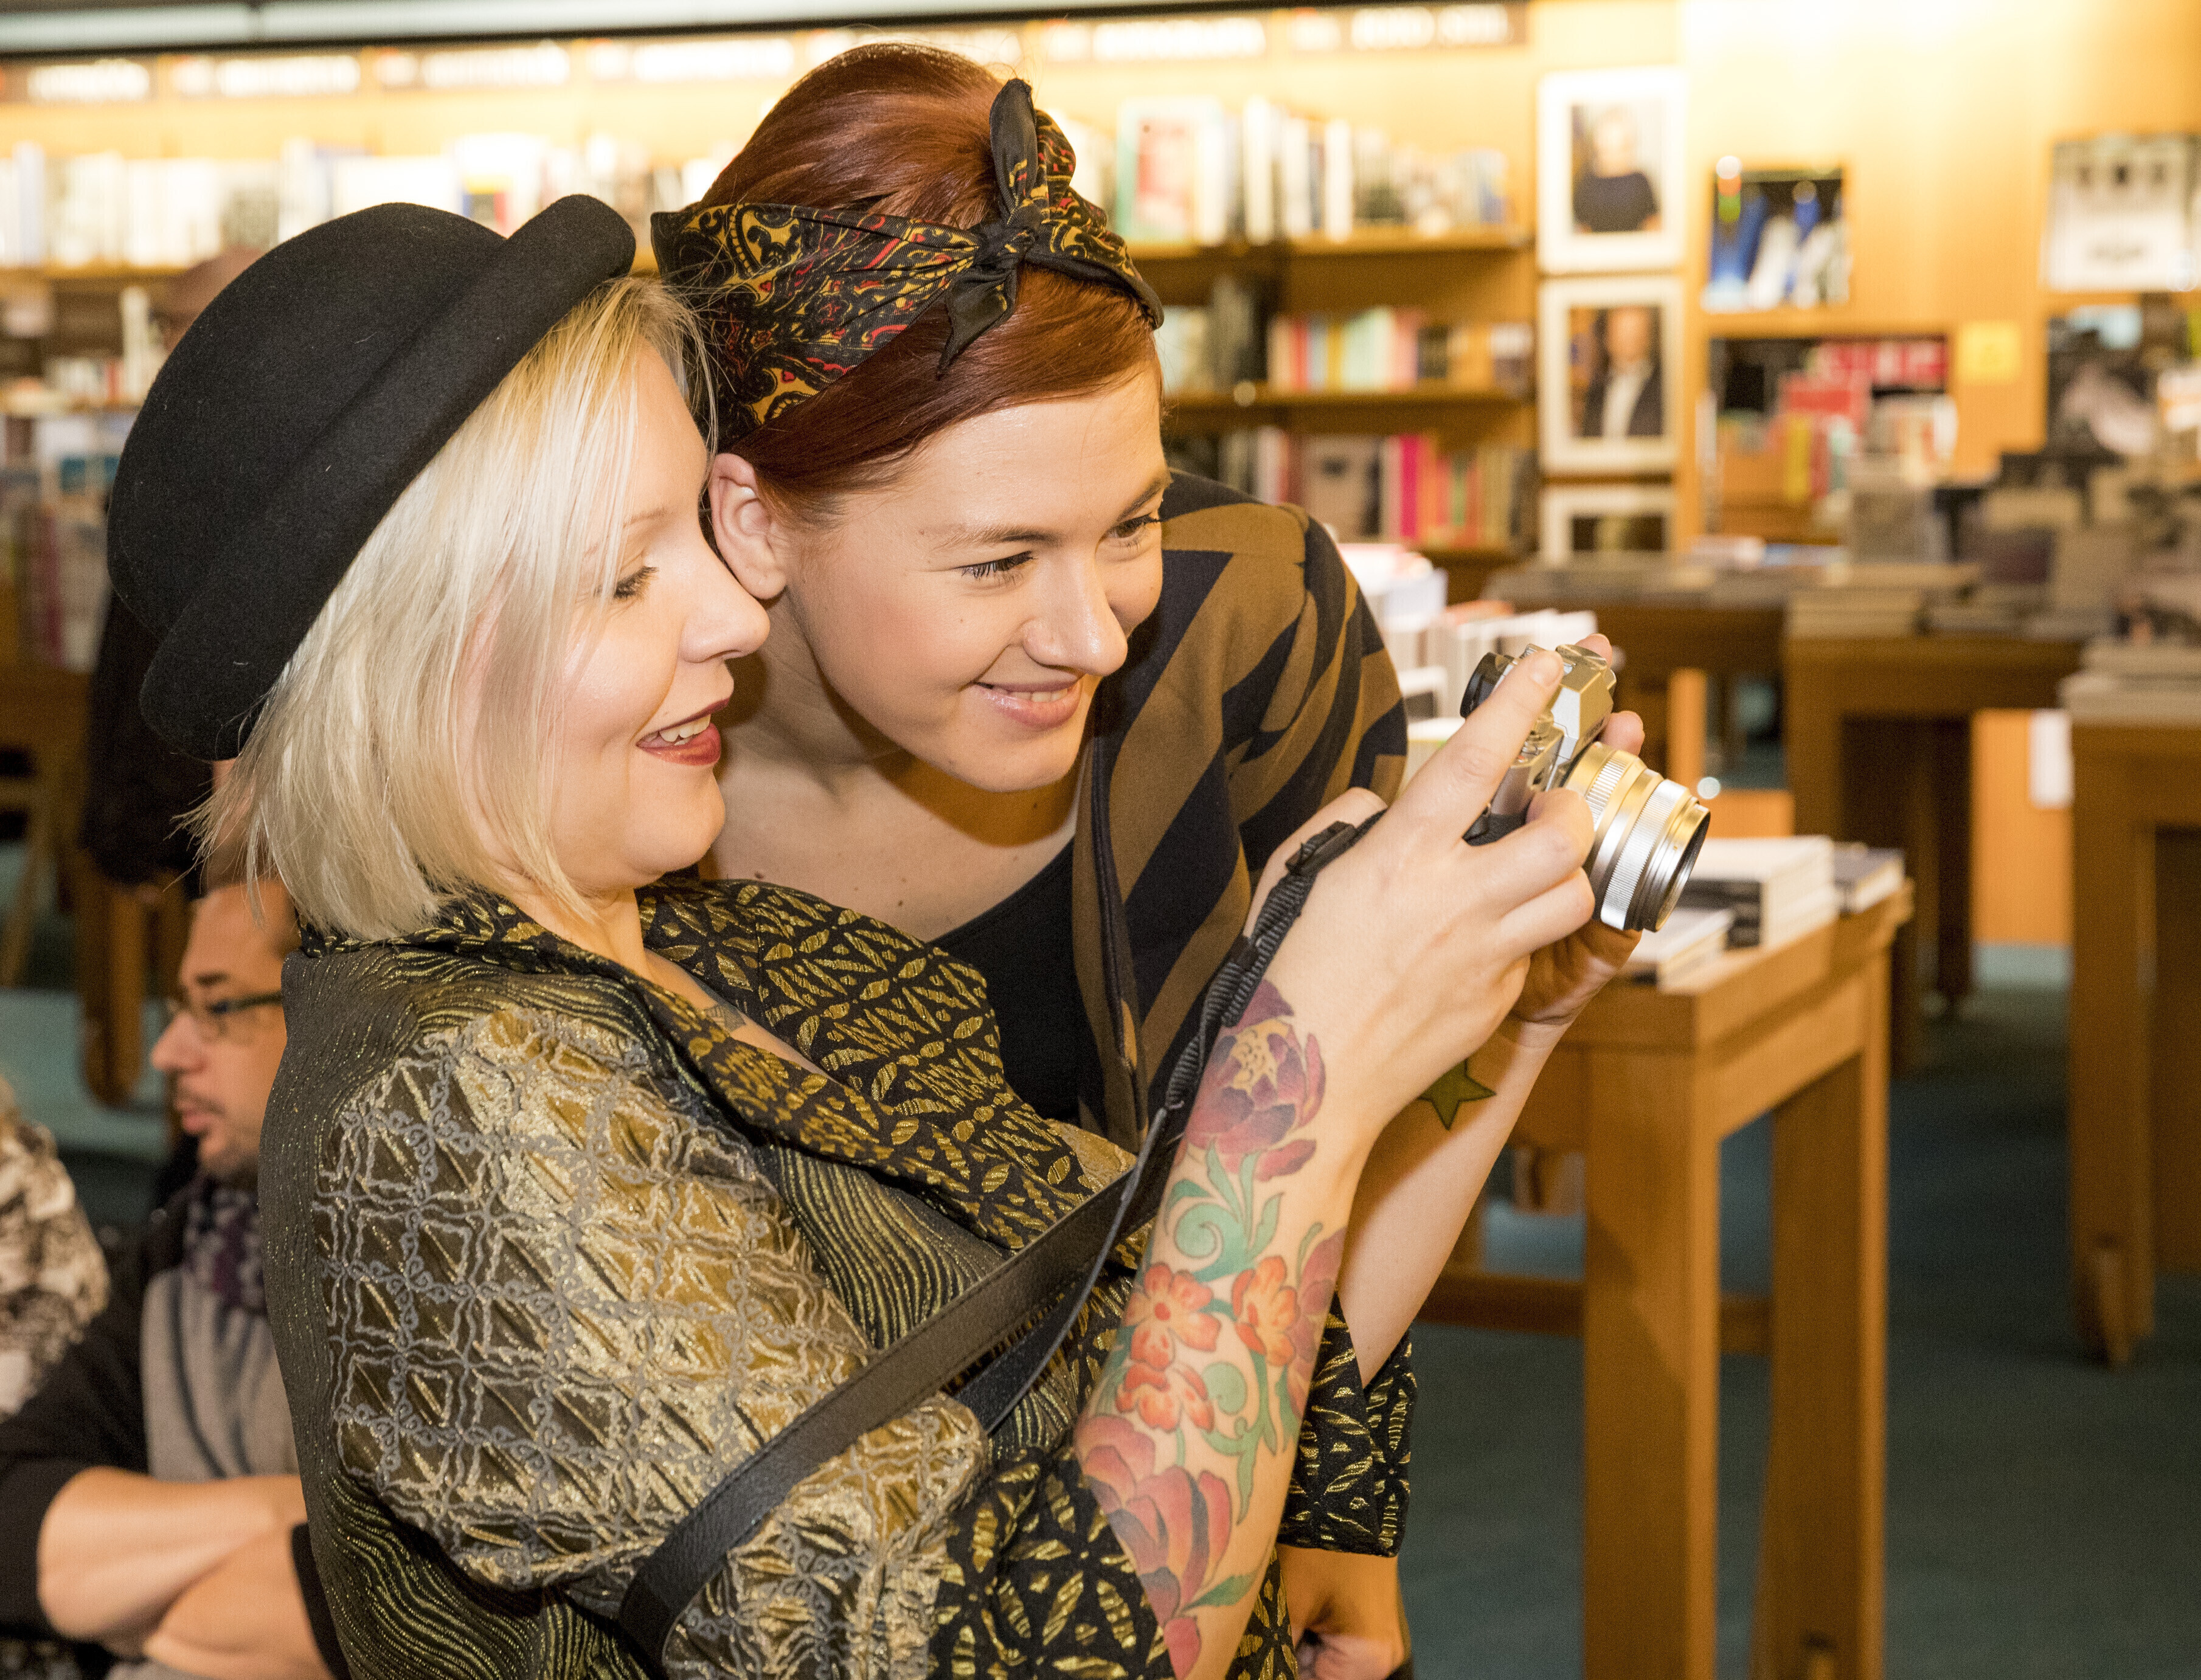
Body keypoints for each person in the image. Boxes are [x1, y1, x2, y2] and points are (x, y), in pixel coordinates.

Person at [108, 187, 1627, 1680]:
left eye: (696, 533)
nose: (735, 614)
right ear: (414, 665)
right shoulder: (451, 1104)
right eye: (629, 575)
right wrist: (1296, 1081)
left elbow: (1185, 1350)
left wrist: (1502, 1010)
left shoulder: (734, 949)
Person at [658, 50, 1418, 1668]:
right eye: (998, 560)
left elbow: (1347, 1137)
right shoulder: (611, 785)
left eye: (1128, 521)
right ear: (756, 516)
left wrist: (1328, 1510)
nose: (1094, 633)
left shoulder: (1246, 630)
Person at [0, 879, 343, 1680]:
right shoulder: (200, 1241)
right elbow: (15, 1515)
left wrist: (123, 1597)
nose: (168, 1052)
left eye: (217, 1007)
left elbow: (398, 1617)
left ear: (341, 1014)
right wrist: (293, 1514)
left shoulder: (442, 1279)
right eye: (178, 1006)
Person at [1576, 305, 1664, 441]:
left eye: (1633, 332)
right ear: (1608, 338)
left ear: (1646, 337)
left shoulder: (1663, 388)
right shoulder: (1596, 391)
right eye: (1620, 332)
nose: (1627, 340)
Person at [1572, 104, 1660, 235]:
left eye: (1621, 145)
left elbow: (1654, 225)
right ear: (1597, 144)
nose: (1613, 153)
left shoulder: (1640, 182)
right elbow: (1581, 230)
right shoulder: (1586, 183)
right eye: (1607, 143)